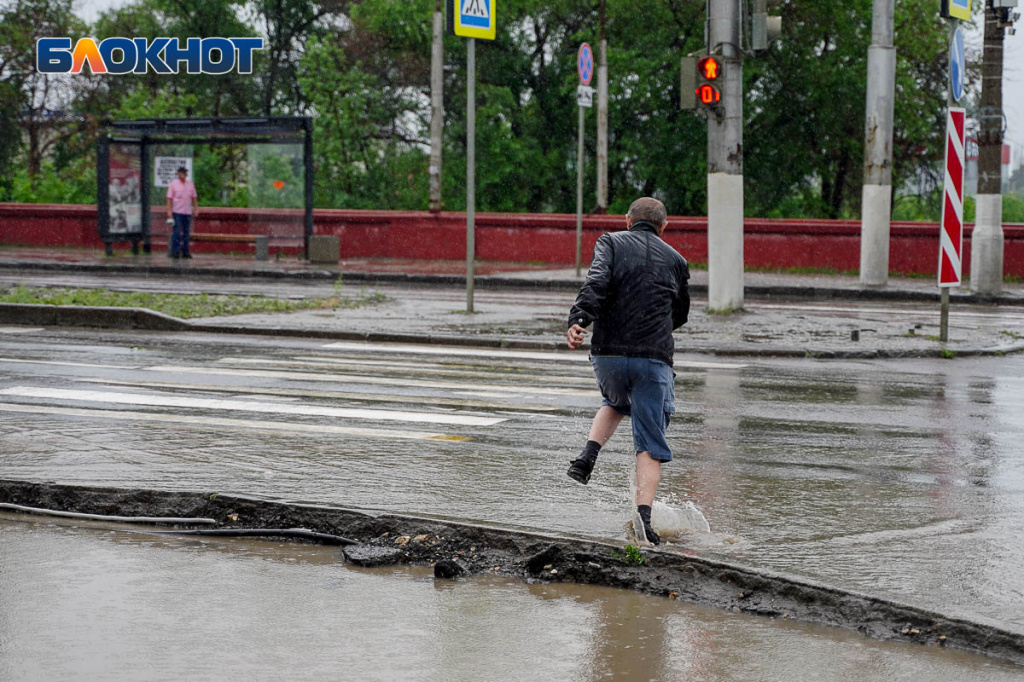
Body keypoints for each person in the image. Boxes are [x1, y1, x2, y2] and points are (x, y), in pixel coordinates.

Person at [566, 197, 690, 546]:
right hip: (652, 358)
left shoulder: (610, 242)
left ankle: (587, 457)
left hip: (607, 355)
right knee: (649, 443)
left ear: (627, 221)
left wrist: (580, 319)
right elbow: (679, 314)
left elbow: (597, 282)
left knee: (615, 400)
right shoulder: (678, 261)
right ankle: (645, 522)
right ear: (664, 227)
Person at [165, 166, 199, 259]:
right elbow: (169, 198)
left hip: (187, 212)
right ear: (178, 174)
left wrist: (196, 209)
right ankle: (176, 251)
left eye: (184, 173)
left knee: (186, 233)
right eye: (181, 173)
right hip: (177, 211)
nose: (183, 175)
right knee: (177, 232)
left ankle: (185, 251)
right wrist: (169, 210)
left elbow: (194, 197)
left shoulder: (190, 184)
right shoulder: (173, 184)